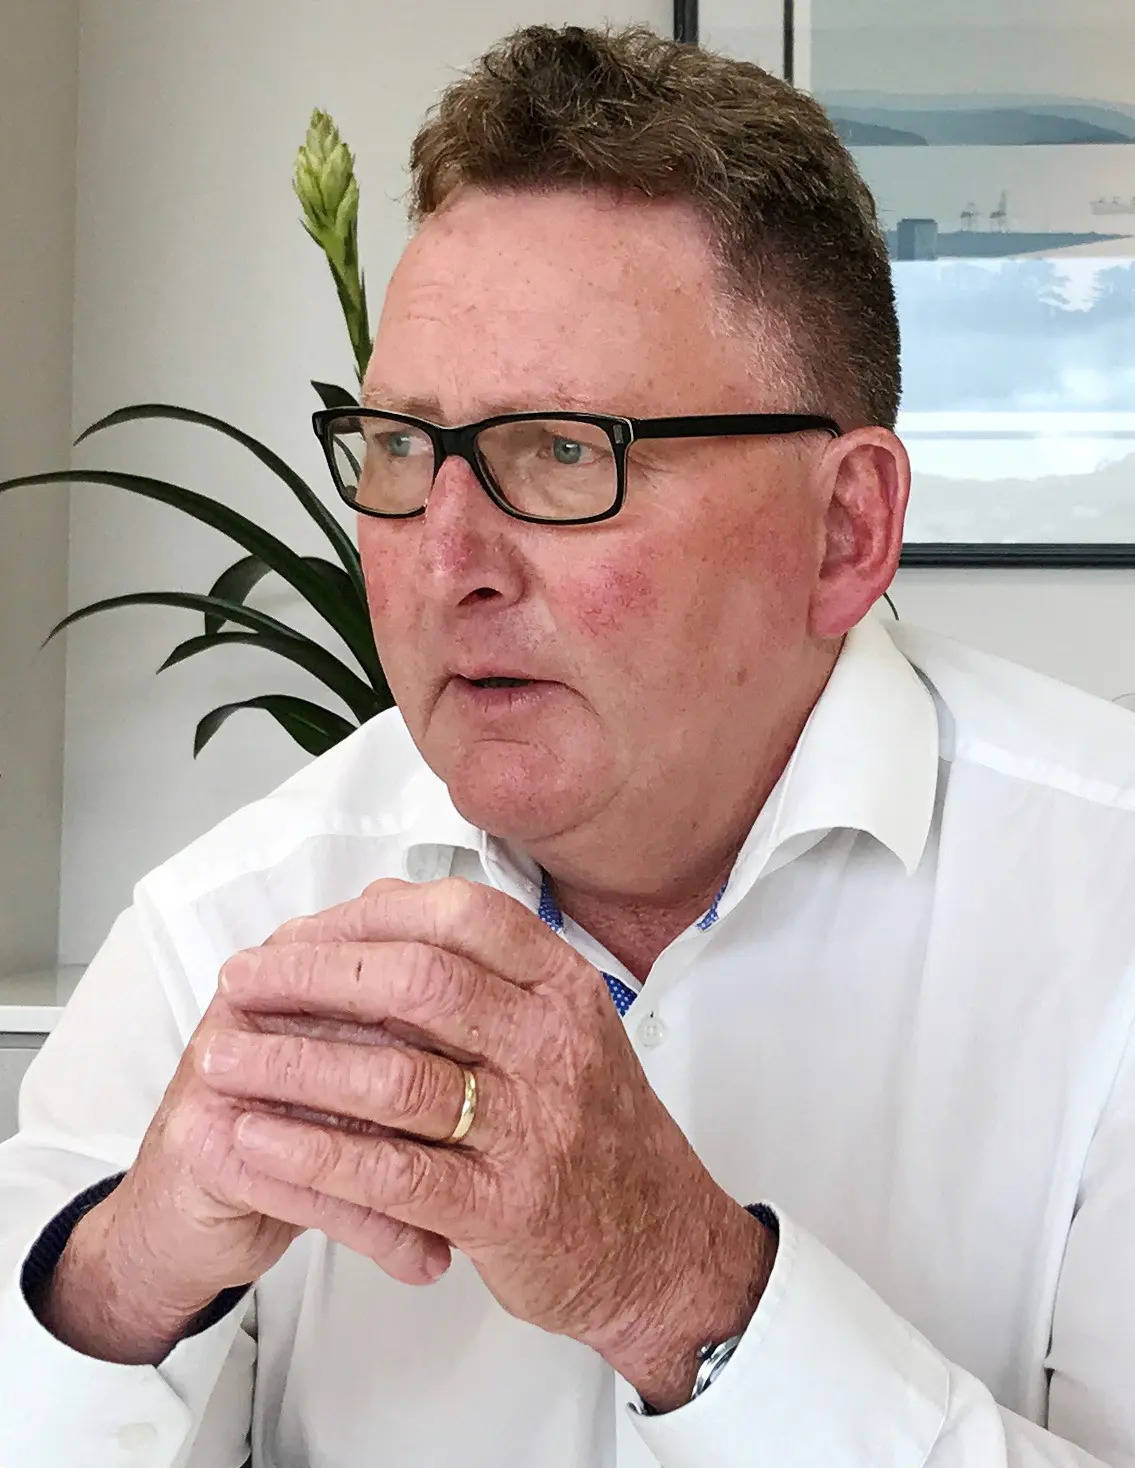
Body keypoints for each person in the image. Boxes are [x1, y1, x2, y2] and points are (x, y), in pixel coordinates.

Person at [2, 21, 1134, 1468]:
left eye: (561, 451)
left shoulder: (1107, 917)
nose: (444, 562)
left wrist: (683, 1297)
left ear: (845, 529)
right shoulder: (230, 932)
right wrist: (120, 1284)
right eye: (401, 447)